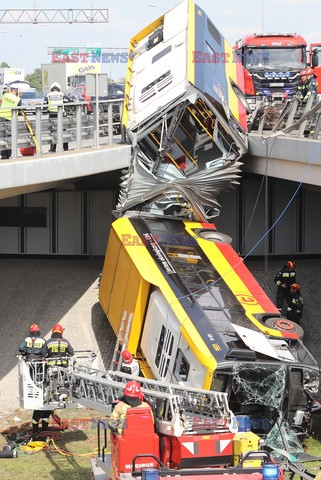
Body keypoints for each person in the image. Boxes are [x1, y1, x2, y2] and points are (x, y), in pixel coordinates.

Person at [43, 82, 70, 152]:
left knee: (53, 131)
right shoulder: (62, 94)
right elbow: (68, 102)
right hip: (61, 114)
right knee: (63, 131)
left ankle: (53, 148)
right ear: (59, 89)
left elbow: (44, 105)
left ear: (51, 89)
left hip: (52, 115)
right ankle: (65, 147)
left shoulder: (48, 95)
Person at [0, 85, 22, 159]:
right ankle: (8, 154)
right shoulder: (17, 99)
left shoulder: (5, 95)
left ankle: (3, 154)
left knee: (2, 136)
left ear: (10, 90)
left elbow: (3, 93)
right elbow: (20, 109)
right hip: (11, 119)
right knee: (10, 137)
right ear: (17, 91)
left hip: (2, 117)